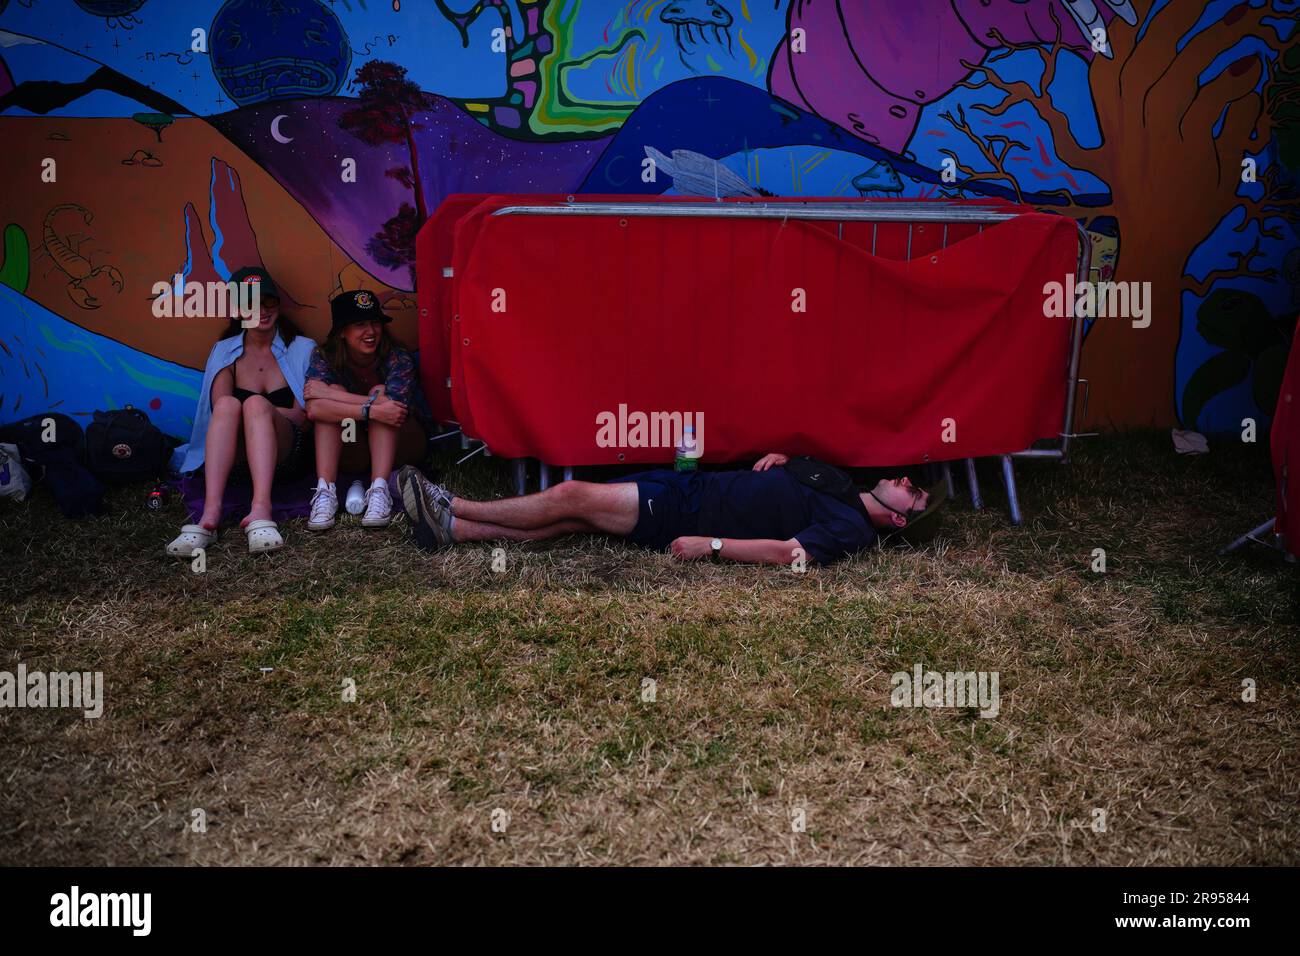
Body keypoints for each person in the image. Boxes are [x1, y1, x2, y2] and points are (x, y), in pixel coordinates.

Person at [394, 452, 934, 565]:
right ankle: (456, 532)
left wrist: (714, 547)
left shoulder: (850, 531)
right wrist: (783, 459)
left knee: (571, 496)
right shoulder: (840, 481)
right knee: (574, 518)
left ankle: (449, 503)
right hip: (690, 483)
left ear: (901, 519)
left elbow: (788, 553)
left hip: (688, 516)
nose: (906, 479)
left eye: (914, 492)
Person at [167, 267, 317, 557]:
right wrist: (254, 419)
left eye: (268, 301)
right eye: (251, 303)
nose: (262, 310)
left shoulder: (302, 348)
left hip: (288, 458)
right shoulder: (224, 352)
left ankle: (261, 509)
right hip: (236, 465)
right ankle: (210, 514)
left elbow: (305, 417)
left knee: (254, 404)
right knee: (227, 404)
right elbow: (217, 414)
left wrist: (259, 415)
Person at [302, 289, 432, 531]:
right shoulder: (325, 356)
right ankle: (325, 492)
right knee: (338, 408)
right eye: (360, 324)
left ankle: (380, 489)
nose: (371, 332)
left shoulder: (397, 357)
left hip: (403, 446)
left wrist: (332, 395)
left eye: (375, 323)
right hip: (354, 447)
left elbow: (393, 410)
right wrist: (369, 409)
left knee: (380, 392)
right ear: (342, 331)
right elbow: (314, 409)